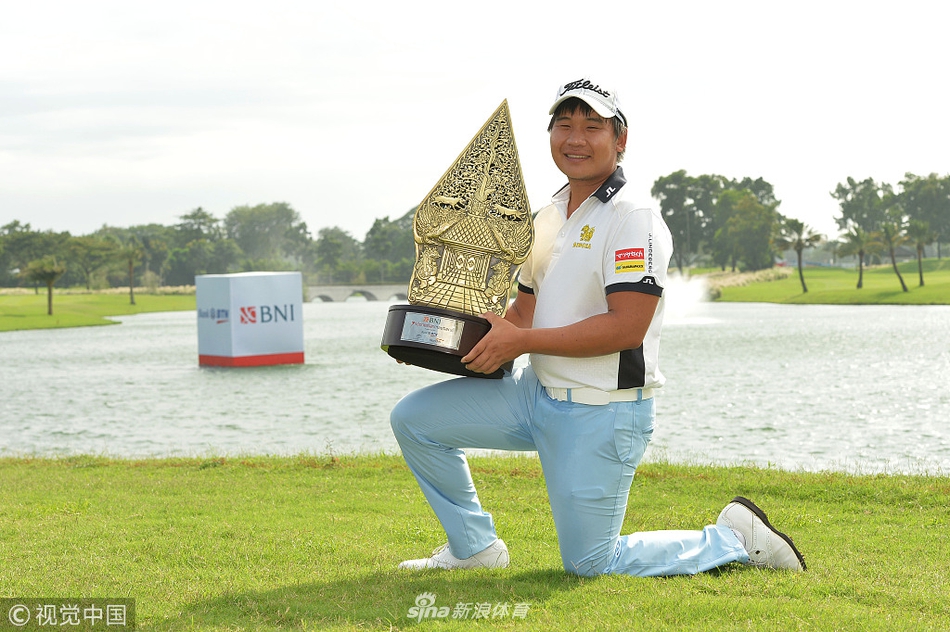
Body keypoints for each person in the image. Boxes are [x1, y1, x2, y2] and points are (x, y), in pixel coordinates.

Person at [390, 77, 806, 576]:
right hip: (534, 395)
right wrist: (466, 332)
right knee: (415, 420)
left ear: (620, 140)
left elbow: (626, 327)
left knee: (590, 563)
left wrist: (519, 340)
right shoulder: (544, 218)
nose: (575, 138)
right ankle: (474, 547)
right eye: (563, 125)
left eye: (592, 126)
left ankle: (733, 537)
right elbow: (524, 310)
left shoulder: (633, 217)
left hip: (602, 410)